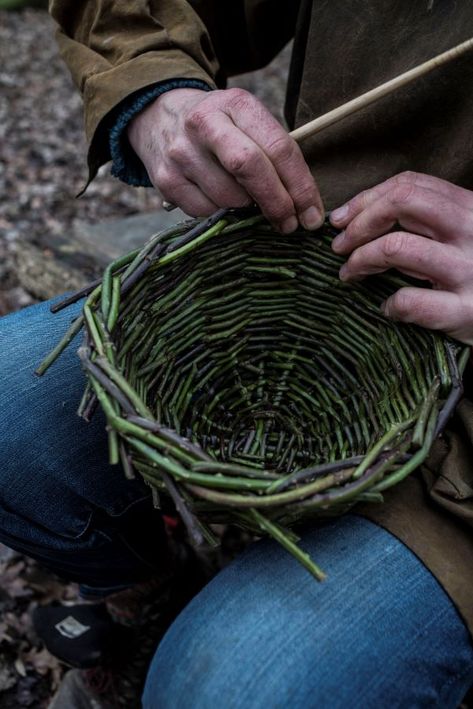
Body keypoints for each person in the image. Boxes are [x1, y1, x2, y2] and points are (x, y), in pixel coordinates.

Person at [1, 1, 472, 706]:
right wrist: (156, 93)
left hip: (460, 474)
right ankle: (146, 590)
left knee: (228, 688)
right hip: (316, 272)